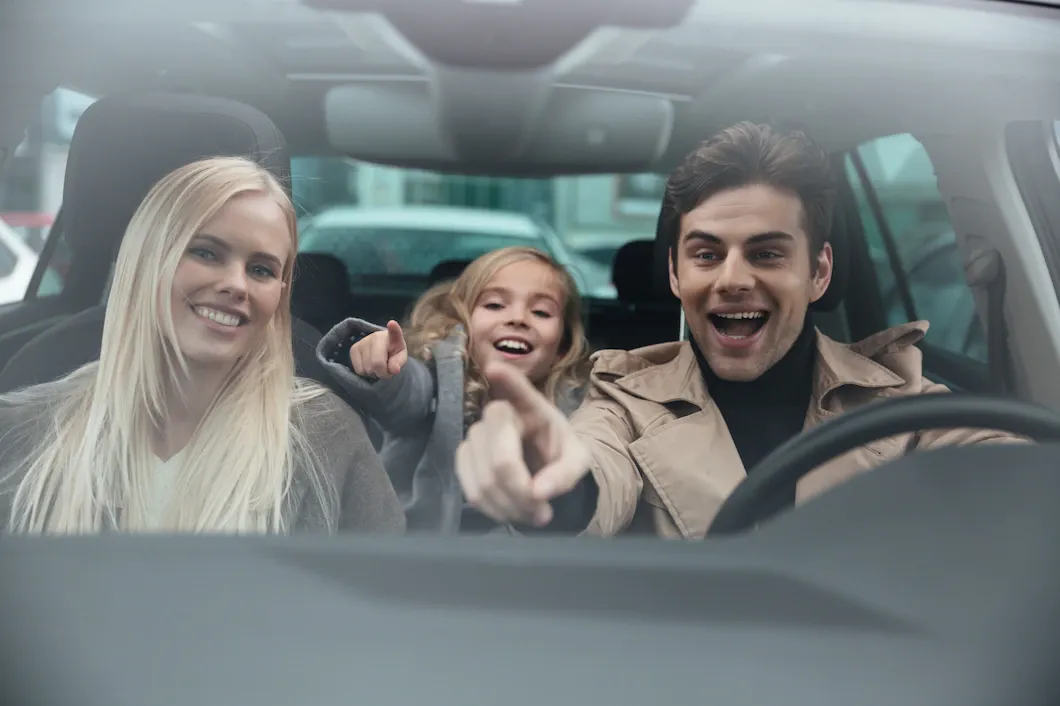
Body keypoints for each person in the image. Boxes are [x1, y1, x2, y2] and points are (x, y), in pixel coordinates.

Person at [452, 122, 1025, 538]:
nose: (731, 280)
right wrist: (555, 479)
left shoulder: (902, 398)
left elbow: (1019, 478)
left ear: (819, 272)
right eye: (706, 254)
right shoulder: (622, 400)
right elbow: (594, 466)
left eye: (767, 253)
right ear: (675, 273)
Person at [0, 156, 405, 534]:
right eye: (206, 253)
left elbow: (380, 581)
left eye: (261, 269)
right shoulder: (23, 432)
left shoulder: (326, 435)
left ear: (281, 292)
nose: (236, 284)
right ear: (147, 259)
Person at [316, 246, 592, 533]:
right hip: (426, 551)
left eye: (541, 312)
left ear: (562, 346)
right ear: (462, 323)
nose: (518, 318)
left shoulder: (579, 408)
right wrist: (384, 366)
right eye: (495, 305)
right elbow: (408, 394)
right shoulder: (437, 376)